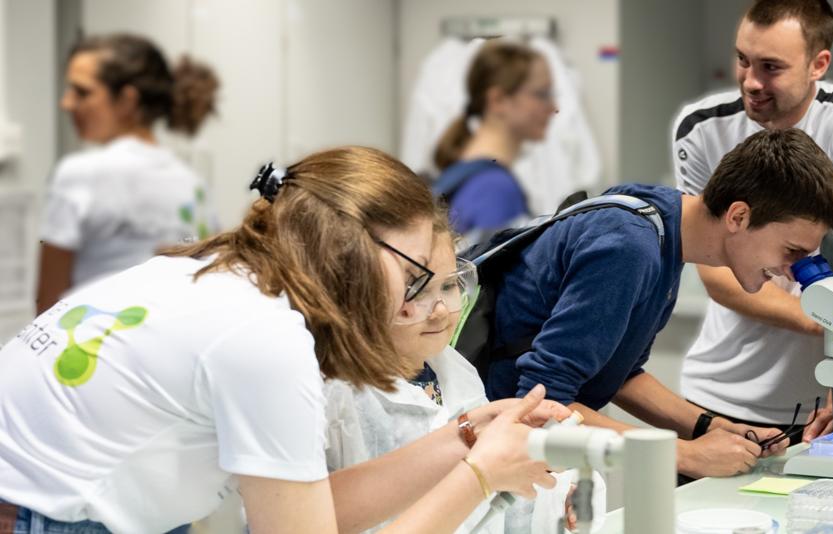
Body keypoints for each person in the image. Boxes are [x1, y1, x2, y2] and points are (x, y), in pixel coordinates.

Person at [0, 146, 567, 534]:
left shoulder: (219, 276)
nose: (429, 304)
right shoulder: (263, 337)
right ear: (346, 259)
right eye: (416, 277)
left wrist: (466, 438)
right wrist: (479, 477)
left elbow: (313, 509)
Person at [483, 128, 833, 479]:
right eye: (792, 251)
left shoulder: (664, 224)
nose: (794, 273)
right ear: (739, 216)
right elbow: (539, 407)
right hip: (494, 446)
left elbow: (620, 374)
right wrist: (684, 455)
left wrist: (711, 426)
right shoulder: (629, 247)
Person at [671, 0, 833, 442]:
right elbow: (716, 271)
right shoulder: (702, 129)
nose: (750, 81)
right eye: (743, 60)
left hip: (824, 402)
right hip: (718, 397)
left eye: (771, 67)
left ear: (818, 64)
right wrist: (821, 317)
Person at [323, 217, 605, 533]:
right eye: (415, 291)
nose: (441, 310)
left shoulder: (453, 369)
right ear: (358, 295)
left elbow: (495, 505)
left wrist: (562, 490)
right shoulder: (342, 398)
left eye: (448, 285)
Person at [37, 33, 220, 314]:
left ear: (126, 101)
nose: (67, 103)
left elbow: (48, 302)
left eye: (81, 92)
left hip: (94, 347)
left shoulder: (79, 173)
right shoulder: (194, 184)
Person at [433, 40, 556, 246]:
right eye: (541, 94)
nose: (554, 107)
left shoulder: (463, 174)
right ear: (498, 100)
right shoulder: (494, 189)